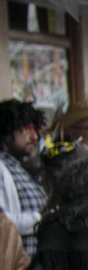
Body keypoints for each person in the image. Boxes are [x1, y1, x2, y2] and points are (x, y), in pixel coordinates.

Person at [0, 99, 47, 256]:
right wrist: (42, 217)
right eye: (27, 129)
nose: (34, 137)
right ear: (8, 133)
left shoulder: (18, 168)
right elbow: (3, 222)